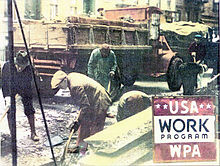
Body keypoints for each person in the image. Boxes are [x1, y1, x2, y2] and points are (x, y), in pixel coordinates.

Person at [51, 70, 112, 154]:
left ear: (64, 80)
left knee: (96, 125)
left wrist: (78, 121)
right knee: (84, 123)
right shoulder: (71, 76)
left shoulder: (74, 86)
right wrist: (78, 121)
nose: (59, 88)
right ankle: (81, 147)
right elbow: (83, 104)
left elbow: (85, 106)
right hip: (92, 99)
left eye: (59, 85)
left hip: (100, 99)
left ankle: (95, 151)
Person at [2, 50, 39, 141]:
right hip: (11, 88)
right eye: (18, 66)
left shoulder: (29, 68)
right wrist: (7, 98)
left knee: (29, 108)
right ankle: (12, 134)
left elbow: (29, 83)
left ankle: (33, 132)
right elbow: (4, 83)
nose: (20, 68)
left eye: (22, 67)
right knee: (10, 110)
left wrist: (22, 93)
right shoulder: (7, 66)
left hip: (24, 88)